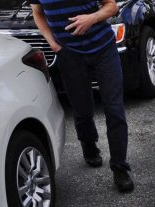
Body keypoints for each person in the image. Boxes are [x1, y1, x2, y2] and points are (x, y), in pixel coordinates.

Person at [30, 0, 134, 192]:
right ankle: (88, 143)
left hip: (103, 49)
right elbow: (37, 13)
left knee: (114, 109)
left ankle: (120, 168)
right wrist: (53, 43)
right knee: (82, 108)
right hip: (69, 54)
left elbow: (112, 6)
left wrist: (91, 18)